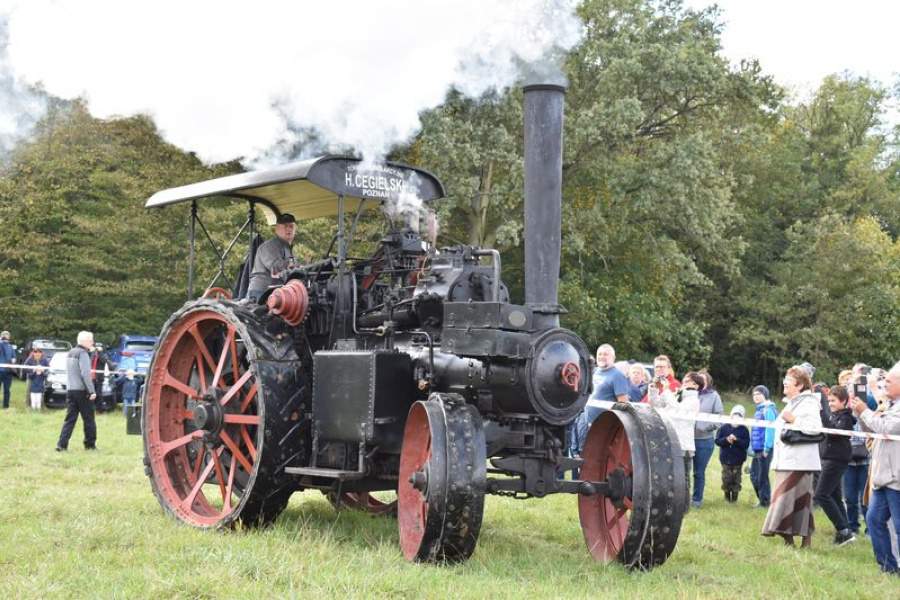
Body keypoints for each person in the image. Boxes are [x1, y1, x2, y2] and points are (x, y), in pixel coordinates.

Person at [762, 366, 823, 548]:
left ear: (800, 385)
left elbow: (814, 428)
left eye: (788, 383)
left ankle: (804, 539)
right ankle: (789, 539)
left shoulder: (810, 403)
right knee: (788, 500)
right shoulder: (791, 403)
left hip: (800, 462)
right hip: (786, 459)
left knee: (794, 501)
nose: (784, 386)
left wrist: (794, 420)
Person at [852, 361, 900, 574]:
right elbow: (873, 427)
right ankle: (887, 567)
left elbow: (888, 427)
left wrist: (865, 411)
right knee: (873, 520)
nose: (884, 384)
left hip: (896, 477)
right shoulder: (888, 405)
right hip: (882, 475)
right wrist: (860, 412)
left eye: (889, 381)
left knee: (898, 527)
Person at [651, 371, 702, 511]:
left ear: (696, 385)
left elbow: (678, 410)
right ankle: (669, 504)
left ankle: (683, 506)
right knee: (668, 475)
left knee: (683, 477)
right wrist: (654, 388)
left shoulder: (693, 401)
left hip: (684, 444)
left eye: (689, 380)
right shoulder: (676, 394)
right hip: (668, 439)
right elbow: (656, 403)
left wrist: (667, 390)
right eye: (685, 378)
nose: (685, 381)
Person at [814, 385, 856, 545]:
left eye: (833, 400)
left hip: (836, 460)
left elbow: (834, 433)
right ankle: (846, 532)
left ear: (844, 401)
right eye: (829, 400)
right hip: (828, 458)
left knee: (821, 495)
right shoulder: (834, 415)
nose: (830, 403)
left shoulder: (845, 418)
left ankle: (843, 530)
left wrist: (821, 413)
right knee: (835, 497)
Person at [576, 345, 630, 448]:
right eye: (599, 354)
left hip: (603, 427)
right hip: (586, 422)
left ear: (613, 358)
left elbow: (623, 404)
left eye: (606, 354)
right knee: (581, 453)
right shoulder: (594, 372)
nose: (602, 356)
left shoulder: (617, 376)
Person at [56, 331, 98, 451]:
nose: (92, 343)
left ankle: (61, 444)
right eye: (91, 340)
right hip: (82, 391)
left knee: (69, 419)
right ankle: (90, 445)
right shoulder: (83, 353)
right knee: (89, 419)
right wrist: (91, 391)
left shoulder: (70, 352)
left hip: (71, 390)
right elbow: (85, 374)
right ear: (84, 341)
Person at [247, 212, 298, 301]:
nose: (289, 229)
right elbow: (276, 268)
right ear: (277, 229)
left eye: (291, 226)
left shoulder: (287, 248)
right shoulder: (269, 246)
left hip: (275, 292)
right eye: (285, 226)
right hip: (261, 292)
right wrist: (295, 266)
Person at [691, 369, 723, 508]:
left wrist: (705, 427)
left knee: (698, 472)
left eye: (704, 379)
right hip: (687, 438)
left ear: (708, 381)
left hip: (704, 441)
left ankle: (697, 499)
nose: (701, 381)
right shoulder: (689, 394)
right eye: (699, 379)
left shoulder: (714, 396)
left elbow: (719, 418)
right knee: (684, 471)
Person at [750, 385, 778, 507]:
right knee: (753, 475)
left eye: (758, 394)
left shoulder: (768, 409)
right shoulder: (759, 410)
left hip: (764, 449)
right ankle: (763, 499)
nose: (755, 397)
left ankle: (765, 502)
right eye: (754, 394)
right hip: (757, 448)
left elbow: (770, 430)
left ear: (765, 395)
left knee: (762, 476)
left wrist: (767, 447)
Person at [716, 404, 750, 502]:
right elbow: (717, 441)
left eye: (739, 416)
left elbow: (746, 444)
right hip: (725, 458)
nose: (736, 418)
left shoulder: (744, 430)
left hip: (738, 459)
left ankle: (734, 498)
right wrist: (726, 440)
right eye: (734, 415)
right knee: (726, 478)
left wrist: (737, 440)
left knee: (736, 478)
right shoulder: (724, 428)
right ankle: (727, 496)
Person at [0, 330, 14, 409]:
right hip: (0, 370)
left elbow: (14, 357)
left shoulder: (10, 347)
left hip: (8, 371)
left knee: (7, 390)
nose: (6, 336)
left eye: (7, 335)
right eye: (4, 335)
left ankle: (6, 406)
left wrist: (13, 359)